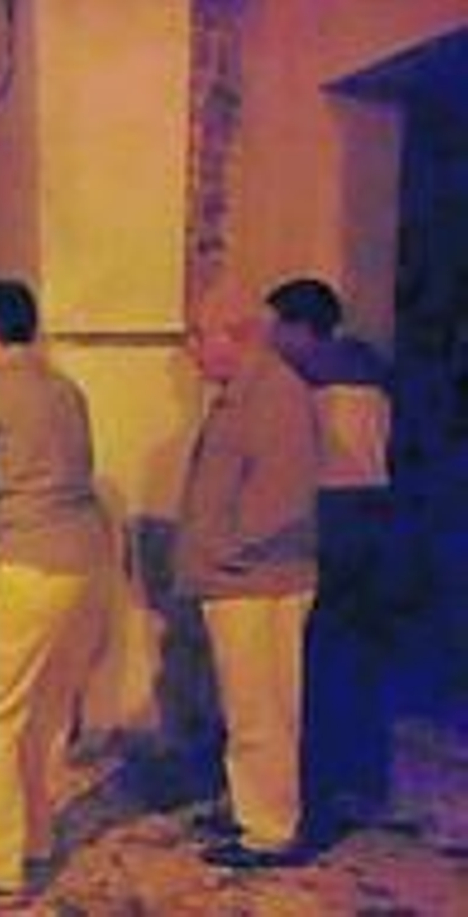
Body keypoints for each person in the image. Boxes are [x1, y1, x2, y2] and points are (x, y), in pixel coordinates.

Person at [0, 281, 111, 901]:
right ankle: (35, 838)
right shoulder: (66, 390)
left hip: (24, 561)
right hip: (83, 561)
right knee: (47, 711)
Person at [175, 298, 319, 870]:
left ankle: (269, 829)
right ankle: (251, 807)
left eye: (198, 335)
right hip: (242, 577)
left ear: (235, 336)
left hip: (259, 580)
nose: (190, 349)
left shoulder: (275, 395)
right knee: (248, 706)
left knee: (263, 709)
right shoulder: (246, 392)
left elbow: (282, 496)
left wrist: (223, 547)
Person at [267, 278, 396, 834]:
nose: (272, 339)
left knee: (315, 659)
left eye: (277, 326)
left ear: (300, 328)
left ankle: (315, 784)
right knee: (359, 655)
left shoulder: (310, 380)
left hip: (333, 517)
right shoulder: (372, 371)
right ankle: (359, 777)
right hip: (376, 514)